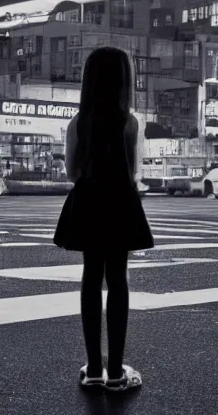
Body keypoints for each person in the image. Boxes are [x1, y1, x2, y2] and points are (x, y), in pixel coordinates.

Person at [53, 47, 154, 393]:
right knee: (118, 281)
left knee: (90, 278)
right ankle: (116, 372)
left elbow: (72, 172)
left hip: (88, 202)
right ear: (125, 81)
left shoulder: (78, 123)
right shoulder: (129, 122)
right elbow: (133, 172)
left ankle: (93, 368)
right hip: (119, 203)